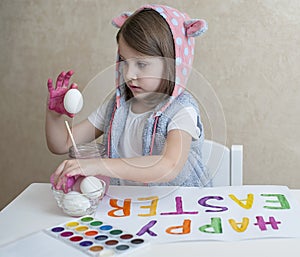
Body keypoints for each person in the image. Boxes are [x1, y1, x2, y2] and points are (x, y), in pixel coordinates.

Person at [47, 4, 211, 191]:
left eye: (141, 64)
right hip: (127, 210)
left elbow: (169, 166)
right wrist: (54, 115)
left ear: (172, 65)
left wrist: (100, 165)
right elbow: (62, 144)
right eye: (124, 62)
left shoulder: (181, 110)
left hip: (178, 209)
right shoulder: (117, 107)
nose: (129, 74)